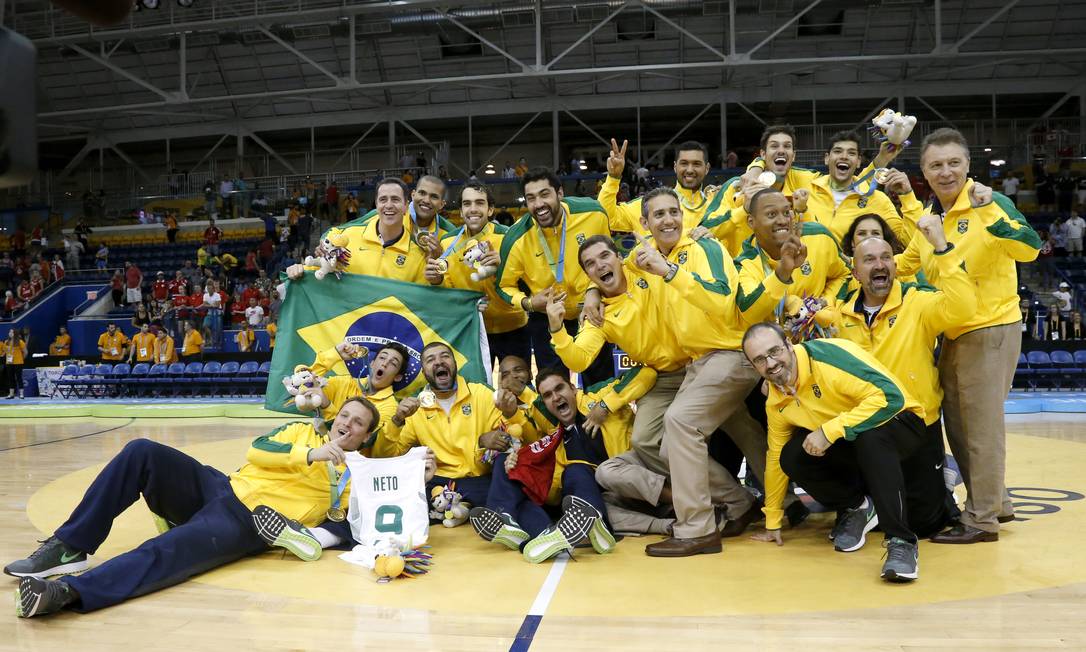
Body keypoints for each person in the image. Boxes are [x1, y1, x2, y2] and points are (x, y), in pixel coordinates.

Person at [5, 398, 385, 618]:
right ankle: (70, 544)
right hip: (220, 484)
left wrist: (312, 535)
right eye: (346, 416)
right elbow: (258, 450)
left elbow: (351, 528)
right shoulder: (300, 433)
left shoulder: (358, 476)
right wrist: (310, 454)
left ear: (366, 437)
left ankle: (66, 592)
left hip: (247, 522)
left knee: (164, 553)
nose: (348, 424)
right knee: (142, 451)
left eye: (359, 423)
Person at [900, 129, 1041, 544]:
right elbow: (907, 265)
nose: (946, 172)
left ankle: (981, 520)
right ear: (923, 171)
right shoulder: (930, 217)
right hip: (953, 331)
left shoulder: (990, 202)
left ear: (968, 165)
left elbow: (1031, 247)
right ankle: (996, 502)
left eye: (953, 163)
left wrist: (991, 213)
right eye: (936, 165)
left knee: (980, 428)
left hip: (990, 327)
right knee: (960, 426)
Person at [827, 218, 976, 538]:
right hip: (868, 426)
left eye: (886, 258)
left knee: (925, 525)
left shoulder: (917, 302)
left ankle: (941, 481)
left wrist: (942, 248)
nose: (879, 265)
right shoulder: (841, 314)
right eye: (869, 259)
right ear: (855, 272)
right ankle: (861, 502)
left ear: (895, 266)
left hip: (916, 422)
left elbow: (964, 308)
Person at [742, 324, 927, 582]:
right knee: (791, 456)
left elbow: (890, 397)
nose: (771, 363)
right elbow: (775, 459)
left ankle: (902, 542)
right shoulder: (776, 398)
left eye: (774, 351)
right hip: (852, 440)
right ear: (754, 367)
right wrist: (773, 519)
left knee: (869, 435)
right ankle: (858, 506)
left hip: (900, 423)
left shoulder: (828, 358)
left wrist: (829, 431)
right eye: (760, 359)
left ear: (788, 344)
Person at [469, 369, 623, 563]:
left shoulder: (596, 402)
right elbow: (531, 433)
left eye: (560, 389)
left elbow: (642, 374)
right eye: (548, 395)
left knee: (575, 470)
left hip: (606, 487)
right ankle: (535, 531)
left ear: (573, 389)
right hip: (567, 499)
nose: (556, 397)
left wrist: (605, 406)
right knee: (510, 466)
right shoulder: (551, 430)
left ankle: (596, 523)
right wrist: (516, 459)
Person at [371, 342, 528, 506]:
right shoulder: (415, 407)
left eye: (445, 356)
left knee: (514, 485)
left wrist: (509, 416)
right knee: (404, 498)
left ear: (455, 364)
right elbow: (386, 457)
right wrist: (396, 421)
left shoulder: (481, 393)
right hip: (439, 485)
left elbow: (516, 438)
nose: (439, 362)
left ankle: (500, 516)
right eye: (431, 359)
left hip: (479, 481)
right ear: (424, 372)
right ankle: (460, 510)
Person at [495, 168, 613, 384]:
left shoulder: (593, 214)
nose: (538, 204)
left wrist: (594, 290)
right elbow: (503, 287)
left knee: (600, 381)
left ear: (560, 193)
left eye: (544, 194)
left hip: (589, 308)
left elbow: (609, 262)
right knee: (553, 385)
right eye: (531, 198)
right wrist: (529, 302)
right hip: (545, 316)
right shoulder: (516, 239)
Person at [427, 182, 529, 366]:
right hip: (471, 329)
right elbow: (447, 289)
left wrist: (504, 265)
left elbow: (527, 280)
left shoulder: (509, 238)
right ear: (460, 210)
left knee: (518, 384)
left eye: (479, 203)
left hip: (512, 327)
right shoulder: (448, 242)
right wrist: (437, 280)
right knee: (476, 387)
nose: (473, 209)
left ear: (490, 210)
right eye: (467, 204)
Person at [733, 188, 851, 324]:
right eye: (771, 214)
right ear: (751, 222)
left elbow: (845, 274)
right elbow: (749, 314)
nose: (783, 220)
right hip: (777, 343)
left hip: (821, 338)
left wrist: (823, 302)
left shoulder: (819, 236)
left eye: (786, 212)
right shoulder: (744, 264)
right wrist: (782, 275)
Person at [292, 178, 432, 283]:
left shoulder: (417, 255)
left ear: (406, 206)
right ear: (376, 205)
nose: (388, 205)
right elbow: (321, 270)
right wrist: (298, 270)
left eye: (395, 199)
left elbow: (423, 304)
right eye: (383, 200)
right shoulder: (346, 238)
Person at [598, 139, 721, 237]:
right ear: (674, 167)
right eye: (684, 163)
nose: (689, 170)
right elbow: (607, 217)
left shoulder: (717, 207)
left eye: (696, 164)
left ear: (707, 168)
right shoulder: (647, 205)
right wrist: (613, 177)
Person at [307, 341, 409, 434]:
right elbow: (302, 384)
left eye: (393, 363)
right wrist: (335, 354)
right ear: (372, 364)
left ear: (397, 377)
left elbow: (360, 442)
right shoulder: (345, 383)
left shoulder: (390, 408)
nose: (385, 364)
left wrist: (327, 406)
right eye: (382, 357)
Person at [4, 329, 28, 399]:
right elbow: (6, 352)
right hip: (9, 362)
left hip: (18, 362)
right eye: (9, 332)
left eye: (12, 332)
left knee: (19, 378)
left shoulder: (20, 342)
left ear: (15, 333)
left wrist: (21, 358)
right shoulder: (6, 342)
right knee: (10, 378)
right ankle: (11, 394)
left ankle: (21, 394)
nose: (10, 333)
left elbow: (25, 352)